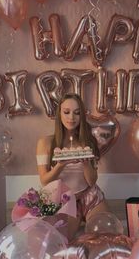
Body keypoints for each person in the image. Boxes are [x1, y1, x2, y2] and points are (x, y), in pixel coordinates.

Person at [36, 93, 109, 240]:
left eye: (77, 113)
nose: (71, 118)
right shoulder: (45, 143)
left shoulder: (88, 141)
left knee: (106, 233)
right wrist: (59, 166)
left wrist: (86, 163)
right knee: (59, 240)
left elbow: (92, 181)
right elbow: (44, 181)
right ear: (59, 113)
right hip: (64, 200)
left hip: (89, 195)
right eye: (67, 112)